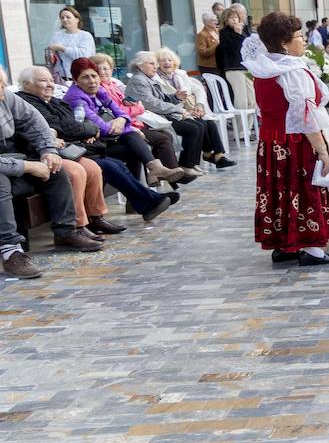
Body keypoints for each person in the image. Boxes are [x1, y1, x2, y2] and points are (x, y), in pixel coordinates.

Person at [17, 65, 174, 228]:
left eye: (51, 80)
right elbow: (68, 127)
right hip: (54, 152)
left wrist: (88, 129)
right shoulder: (29, 103)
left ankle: (142, 202)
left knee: (119, 158)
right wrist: (91, 130)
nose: (50, 84)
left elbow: (78, 123)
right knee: (108, 164)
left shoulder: (55, 101)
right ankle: (144, 201)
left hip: (75, 147)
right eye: (43, 81)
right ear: (27, 85)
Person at [245, 13, 329, 264]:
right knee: (304, 188)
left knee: (280, 191)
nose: (304, 41)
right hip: (295, 142)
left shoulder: (262, 67)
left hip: (271, 141)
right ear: (285, 43)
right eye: (299, 37)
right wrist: (321, 149)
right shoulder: (292, 71)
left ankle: (285, 245)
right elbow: (304, 114)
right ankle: (312, 249)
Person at [0, 67, 102, 279]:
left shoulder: (6, 97)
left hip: (10, 157)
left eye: (3, 84)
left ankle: (65, 232)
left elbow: (34, 121)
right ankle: (10, 251)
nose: (4, 91)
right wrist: (28, 167)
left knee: (55, 170)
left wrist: (48, 150)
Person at [63, 58, 189, 187]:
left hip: (106, 138)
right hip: (90, 144)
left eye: (94, 76)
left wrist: (122, 120)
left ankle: (152, 175)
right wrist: (130, 128)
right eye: (85, 77)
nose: (92, 81)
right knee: (134, 141)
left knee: (135, 144)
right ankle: (150, 179)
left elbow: (121, 113)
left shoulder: (99, 91)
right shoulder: (75, 98)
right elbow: (103, 128)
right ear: (75, 80)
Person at [125, 51, 235, 171]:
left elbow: (163, 98)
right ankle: (187, 164)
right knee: (194, 127)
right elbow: (152, 104)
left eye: (156, 63)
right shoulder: (140, 80)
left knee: (201, 124)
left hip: (165, 114)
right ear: (140, 66)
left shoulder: (149, 78)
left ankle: (191, 163)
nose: (156, 66)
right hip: (153, 119)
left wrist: (177, 98)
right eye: (152, 63)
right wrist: (180, 110)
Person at [45, 6, 97, 82]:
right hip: (61, 78)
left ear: (77, 19)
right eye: (62, 18)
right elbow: (51, 57)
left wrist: (62, 48)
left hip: (81, 77)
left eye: (68, 17)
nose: (64, 20)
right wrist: (51, 53)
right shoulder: (57, 35)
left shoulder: (85, 35)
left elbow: (83, 56)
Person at [215, 6, 253, 111]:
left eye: (236, 17)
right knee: (242, 99)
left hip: (246, 67)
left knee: (252, 99)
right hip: (233, 68)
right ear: (226, 20)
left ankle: (248, 126)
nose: (235, 20)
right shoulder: (224, 33)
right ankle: (241, 126)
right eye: (231, 18)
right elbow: (234, 49)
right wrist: (237, 34)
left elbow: (250, 46)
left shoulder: (244, 30)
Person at [155, 48, 210, 114]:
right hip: (175, 113)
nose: (167, 62)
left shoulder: (181, 74)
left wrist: (199, 105)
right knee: (198, 124)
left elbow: (198, 90)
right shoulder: (156, 79)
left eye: (170, 60)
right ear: (158, 63)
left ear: (174, 63)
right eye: (163, 60)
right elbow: (162, 101)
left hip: (193, 109)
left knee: (210, 123)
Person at [195, 12, 220, 78]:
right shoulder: (202, 35)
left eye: (216, 20)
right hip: (208, 67)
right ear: (206, 22)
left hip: (219, 65)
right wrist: (216, 45)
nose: (216, 22)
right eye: (213, 20)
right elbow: (202, 52)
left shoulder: (218, 31)